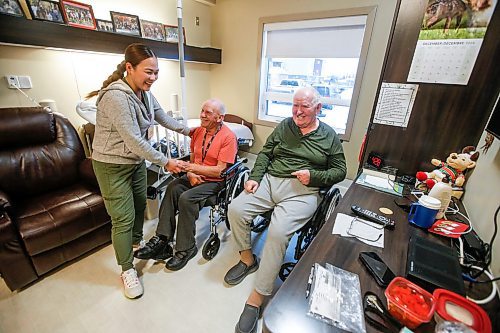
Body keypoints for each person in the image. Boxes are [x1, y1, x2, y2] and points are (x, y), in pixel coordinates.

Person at [225, 87, 347, 333]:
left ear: (318, 109)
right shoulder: (284, 126)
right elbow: (266, 154)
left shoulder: (328, 135)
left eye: (304, 106)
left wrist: (314, 176)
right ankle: (247, 259)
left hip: (303, 190)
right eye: (295, 105)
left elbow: (340, 171)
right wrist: (255, 177)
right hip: (270, 181)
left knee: (278, 233)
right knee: (236, 208)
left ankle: (257, 297)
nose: (298, 111)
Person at [88, 43, 191, 299]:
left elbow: (162, 117)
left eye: (156, 72)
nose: (153, 78)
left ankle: (135, 244)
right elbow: (134, 139)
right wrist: (166, 161)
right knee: (122, 218)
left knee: (137, 207)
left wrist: (192, 131)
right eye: (148, 72)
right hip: (112, 165)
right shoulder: (115, 96)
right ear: (129, 68)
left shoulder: (144, 93)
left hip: (135, 163)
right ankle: (126, 269)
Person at [134, 98, 238, 271]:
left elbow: (220, 171)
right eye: (202, 111)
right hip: (195, 175)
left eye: (208, 113)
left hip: (216, 182)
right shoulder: (198, 132)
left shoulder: (228, 137)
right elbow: (193, 158)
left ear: (220, 118)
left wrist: (191, 168)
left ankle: (186, 248)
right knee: (172, 188)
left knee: (186, 198)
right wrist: (190, 173)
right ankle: (162, 239)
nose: (202, 115)